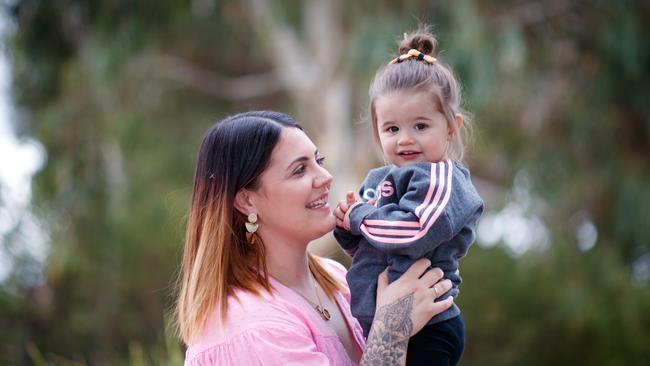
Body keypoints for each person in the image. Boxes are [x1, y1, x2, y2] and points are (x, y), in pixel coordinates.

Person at [176, 110, 456, 366]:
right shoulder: (251, 326)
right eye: (299, 170)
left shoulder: (335, 279)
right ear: (247, 201)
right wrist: (391, 331)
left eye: (318, 161)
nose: (325, 177)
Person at [334, 28, 484, 366]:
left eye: (420, 126)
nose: (405, 139)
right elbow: (372, 248)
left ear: (450, 127)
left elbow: (412, 233)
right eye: (391, 129)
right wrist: (346, 226)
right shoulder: (379, 179)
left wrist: (361, 217)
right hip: (382, 328)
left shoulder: (442, 178)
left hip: (429, 326)